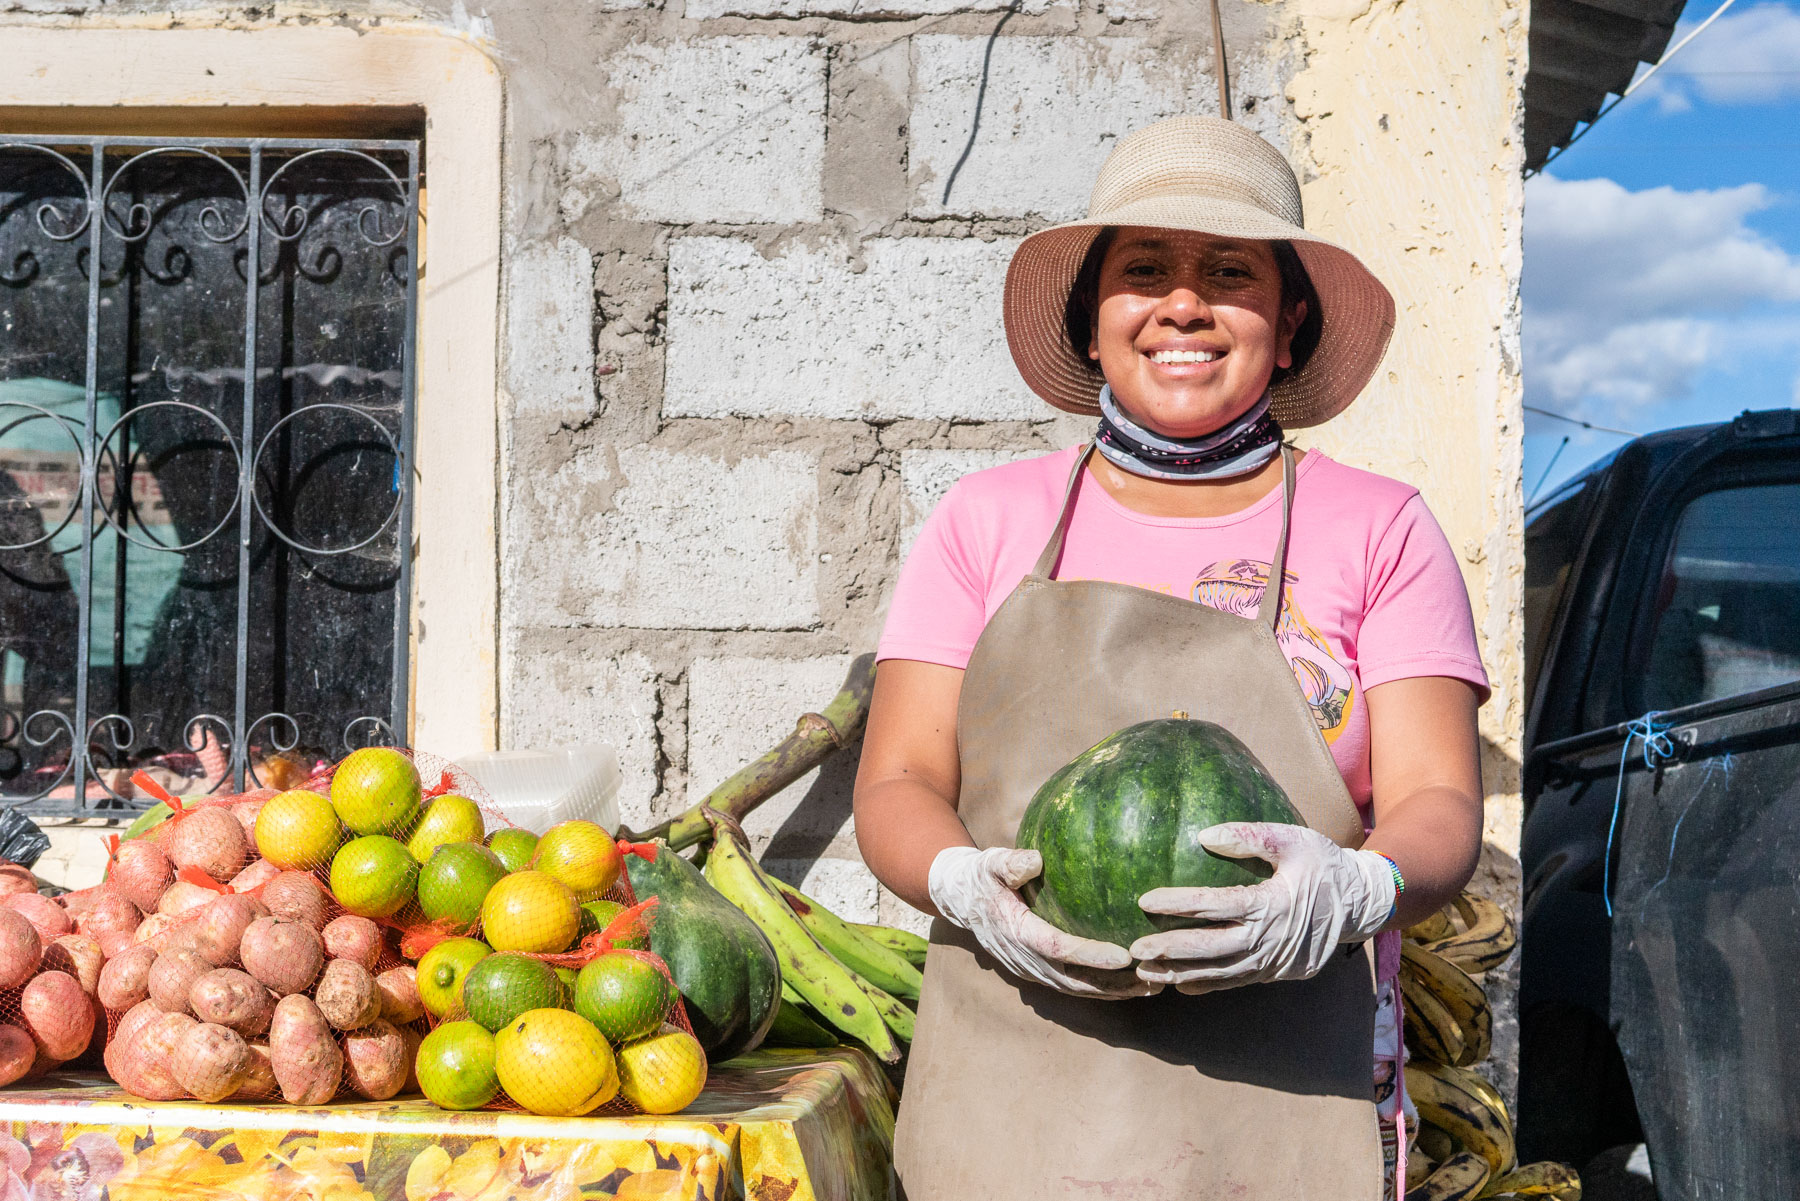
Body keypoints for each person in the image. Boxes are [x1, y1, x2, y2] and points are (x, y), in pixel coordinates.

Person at [853, 116, 1489, 1199]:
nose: (1183, 304)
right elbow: (899, 782)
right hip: (1016, 1090)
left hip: (1290, 1102)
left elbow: (1440, 803)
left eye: (1229, 273)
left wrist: (1352, 890)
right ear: (1094, 321)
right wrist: (962, 884)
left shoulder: (1380, 528)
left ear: (1287, 326)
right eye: (1144, 269)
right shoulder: (986, 520)